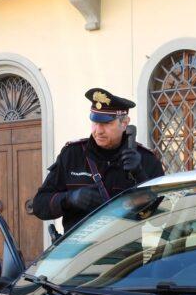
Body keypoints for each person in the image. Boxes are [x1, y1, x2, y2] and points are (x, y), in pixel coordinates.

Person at [31, 88, 164, 232]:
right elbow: (39, 205)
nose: (98, 130)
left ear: (125, 123)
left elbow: (160, 220)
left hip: (126, 245)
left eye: (107, 124)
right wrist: (70, 199)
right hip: (79, 245)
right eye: (95, 122)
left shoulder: (147, 160)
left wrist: (140, 175)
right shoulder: (72, 155)